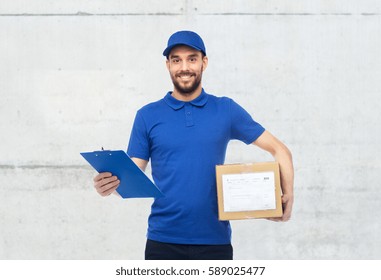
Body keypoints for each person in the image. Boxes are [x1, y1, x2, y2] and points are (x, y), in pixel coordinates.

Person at [93, 30, 294, 260]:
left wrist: (288, 197)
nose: (184, 67)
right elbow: (131, 178)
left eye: (192, 58)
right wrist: (109, 185)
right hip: (162, 242)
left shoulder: (226, 110)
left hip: (215, 243)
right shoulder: (147, 115)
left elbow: (280, 150)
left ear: (203, 63)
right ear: (168, 65)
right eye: (176, 60)